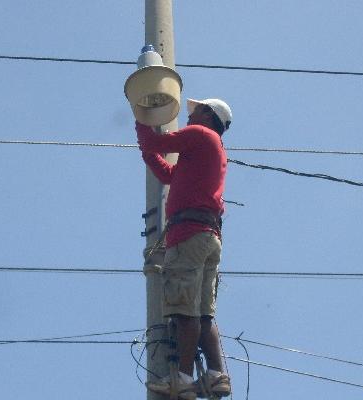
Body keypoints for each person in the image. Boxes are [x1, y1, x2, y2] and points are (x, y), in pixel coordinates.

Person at [137, 98, 233, 400]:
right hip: (207, 236)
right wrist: (147, 149)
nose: (190, 114)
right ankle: (217, 376)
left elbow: (155, 140)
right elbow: (167, 173)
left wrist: (141, 115)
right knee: (204, 315)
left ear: (208, 115)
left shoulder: (202, 136)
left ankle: (182, 380)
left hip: (189, 235)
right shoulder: (205, 154)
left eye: (196, 110)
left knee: (183, 309)